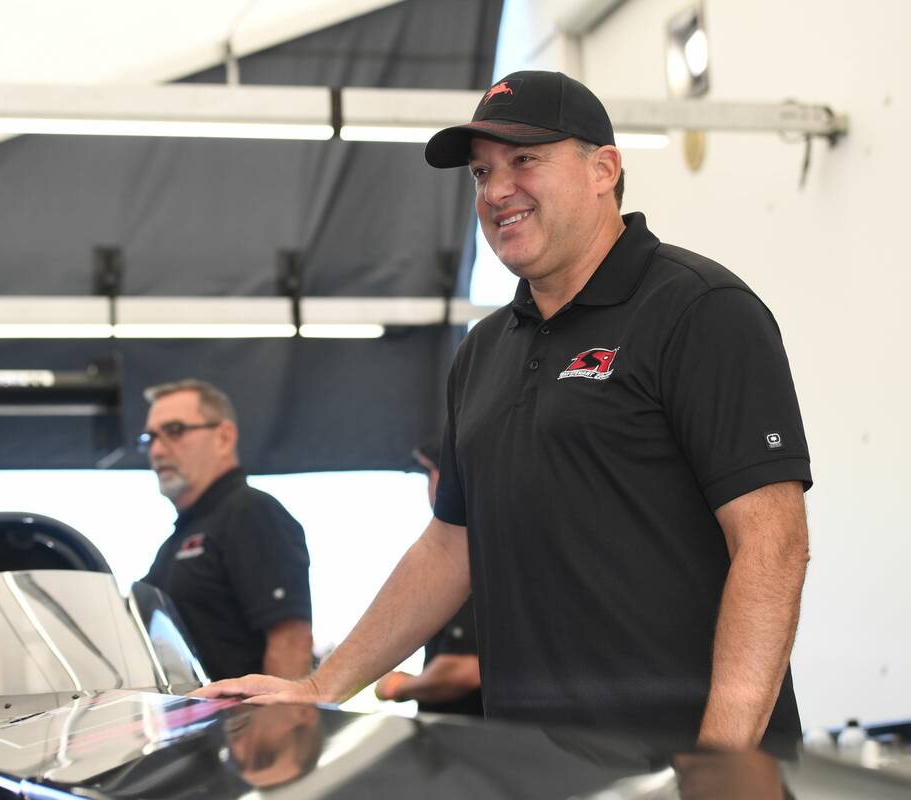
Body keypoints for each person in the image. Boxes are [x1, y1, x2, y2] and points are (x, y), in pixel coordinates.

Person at [196, 71, 811, 756]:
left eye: (525, 160)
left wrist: (721, 764)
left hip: (681, 767)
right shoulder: (485, 350)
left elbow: (770, 544)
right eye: (481, 173)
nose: (496, 191)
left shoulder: (700, 310)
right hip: (531, 769)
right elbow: (448, 547)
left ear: (603, 168)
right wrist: (320, 688)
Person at [140, 379, 313, 681]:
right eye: (150, 437)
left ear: (223, 437)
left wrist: (279, 724)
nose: (156, 449)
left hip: (244, 725)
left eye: (175, 431)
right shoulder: (176, 541)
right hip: (193, 723)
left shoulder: (251, 512)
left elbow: (291, 642)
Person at [374, 438, 482, 716]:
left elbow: (464, 670)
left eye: (429, 473)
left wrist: (399, 686)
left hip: (470, 746)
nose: (429, 485)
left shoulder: (474, 554)